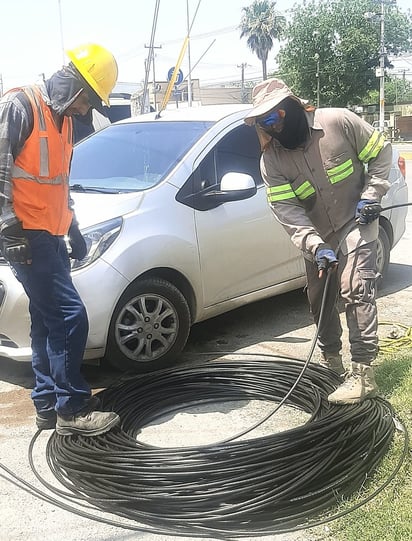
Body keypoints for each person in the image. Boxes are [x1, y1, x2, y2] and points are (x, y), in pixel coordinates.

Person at [244, 78, 392, 405]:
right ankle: (332, 361)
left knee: (355, 286)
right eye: (264, 122)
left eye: (275, 116)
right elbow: (287, 209)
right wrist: (314, 244)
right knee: (319, 298)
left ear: (293, 106)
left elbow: (381, 150)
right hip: (320, 237)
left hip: (357, 220)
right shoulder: (272, 162)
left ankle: (363, 372)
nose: (273, 126)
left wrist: (373, 193)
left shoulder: (338, 122)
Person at [0, 43, 120, 435]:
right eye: (87, 100)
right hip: (26, 237)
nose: (85, 110)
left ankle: (47, 403)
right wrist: (8, 229)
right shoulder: (21, 107)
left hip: (49, 235)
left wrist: (73, 227)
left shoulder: (64, 121)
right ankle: (72, 410)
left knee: (46, 319)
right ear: (73, 84)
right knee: (70, 317)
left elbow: (57, 183)